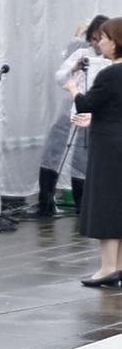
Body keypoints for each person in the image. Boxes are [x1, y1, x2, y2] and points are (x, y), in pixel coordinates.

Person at [22, 16, 110, 220]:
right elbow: (60, 77)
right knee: (53, 150)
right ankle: (45, 204)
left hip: (95, 112)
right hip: (72, 106)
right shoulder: (81, 53)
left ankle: (83, 206)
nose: (97, 43)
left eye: (101, 38)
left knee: (82, 156)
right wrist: (74, 68)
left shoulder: (111, 60)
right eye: (93, 39)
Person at [65, 17, 122, 287]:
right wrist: (96, 120)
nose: (101, 42)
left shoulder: (110, 74)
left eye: (106, 38)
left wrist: (74, 89)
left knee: (106, 204)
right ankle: (118, 266)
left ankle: (108, 267)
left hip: (109, 147)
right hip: (115, 138)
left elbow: (86, 104)